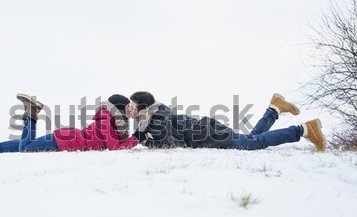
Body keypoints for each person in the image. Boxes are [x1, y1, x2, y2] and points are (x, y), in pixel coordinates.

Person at [127, 91, 326, 151]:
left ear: (143, 108)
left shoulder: (158, 118)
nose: (129, 108)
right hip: (207, 129)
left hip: (208, 134)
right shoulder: (153, 119)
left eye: (132, 105)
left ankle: (303, 130)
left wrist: (147, 141)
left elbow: (173, 144)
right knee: (251, 138)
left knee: (254, 143)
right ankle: (274, 109)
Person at [0, 94, 140, 153]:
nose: (129, 110)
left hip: (67, 137)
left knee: (30, 143)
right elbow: (113, 147)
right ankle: (31, 114)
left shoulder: (109, 120)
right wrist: (136, 138)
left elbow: (115, 143)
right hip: (67, 142)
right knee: (26, 148)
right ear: (118, 107)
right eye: (127, 107)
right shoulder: (106, 119)